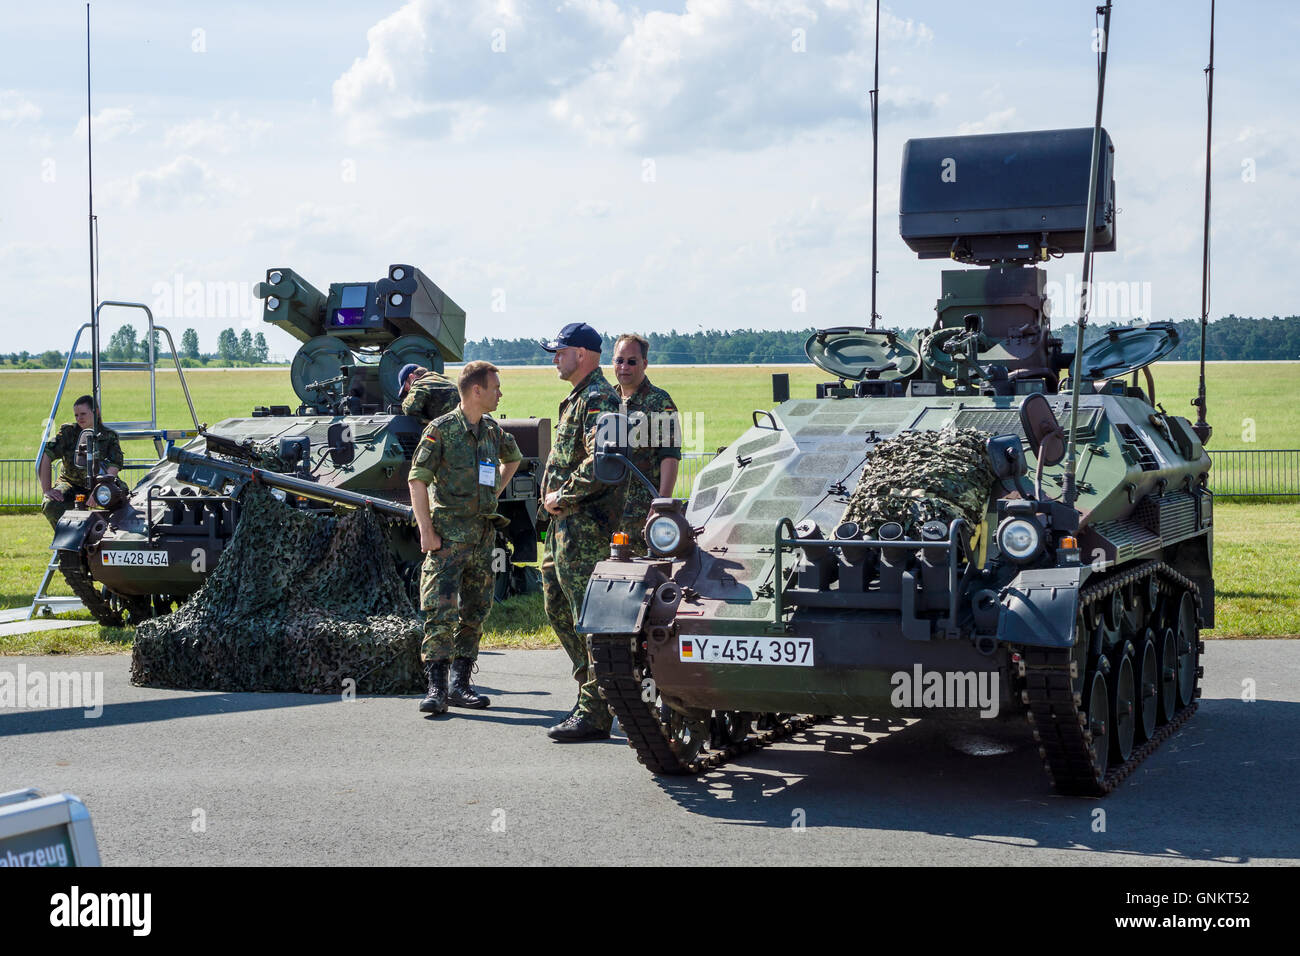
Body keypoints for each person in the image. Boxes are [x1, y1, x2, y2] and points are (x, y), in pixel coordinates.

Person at [407, 361, 522, 716]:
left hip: (483, 539)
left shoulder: (491, 431)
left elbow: (513, 458)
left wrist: (493, 493)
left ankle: (460, 685)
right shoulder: (440, 430)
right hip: (448, 540)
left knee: (475, 612)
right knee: (439, 613)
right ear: (476, 390)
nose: (500, 393)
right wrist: (426, 530)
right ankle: (436, 688)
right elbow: (417, 480)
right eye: (495, 387)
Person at [538, 322, 627, 742]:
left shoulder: (600, 398)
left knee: (588, 618)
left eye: (560, 351)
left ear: (583, 354)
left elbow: (605, 462)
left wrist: (563, 495)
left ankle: (595, 710)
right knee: (558, 609)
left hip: (584, 526)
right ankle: (590, 694)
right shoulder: (577, 398)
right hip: (563, 526)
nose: (555, 357)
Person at [611, 334, 681, 553]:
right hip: (607, 510)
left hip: (642, 511)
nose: (624, 367)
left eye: (632, 361)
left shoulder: (660, 402)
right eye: (619, 360)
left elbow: (669, 455)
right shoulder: (607, 400)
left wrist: (662, 504)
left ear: (645, 364)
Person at [39, 395, 123, 530]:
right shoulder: (68, 433)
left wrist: (100, 488)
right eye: (76, 415)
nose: (79, 418)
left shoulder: (109, 436)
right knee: (51, 505)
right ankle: (68, 542)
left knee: (123, 503)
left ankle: (111, 540)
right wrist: (47, 490)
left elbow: (115, 464)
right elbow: (46, 455)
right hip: (71, 484)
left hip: (102, 482)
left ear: (96, 412)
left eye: (83, 414)